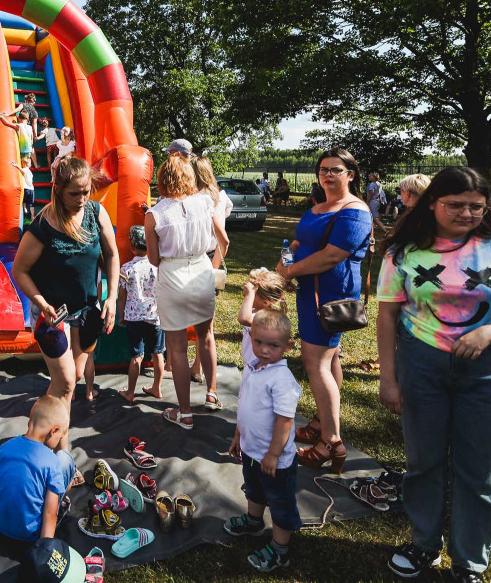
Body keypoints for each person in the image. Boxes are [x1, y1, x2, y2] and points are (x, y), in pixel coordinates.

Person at [376, 166, 491, 580]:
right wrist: (388, 377)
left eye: (476, 206)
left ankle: (469, 561)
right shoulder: (404, 252)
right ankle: (424, 545)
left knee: (478, 473)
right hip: (421, 366)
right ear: (433, 203)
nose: (466, 213)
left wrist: (490, 331)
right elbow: (386, 314)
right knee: (424, 464)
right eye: (455, 204)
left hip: (488, 374)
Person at [12, 157, 119, 454]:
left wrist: (111, 297)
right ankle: (47, 450)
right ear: (58, 189)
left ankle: (56, 450)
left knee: (67, 389)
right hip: (52, 315)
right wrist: (41, 302)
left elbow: (111, 254)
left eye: (86, 191)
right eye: (75, 193)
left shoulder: (96, 213)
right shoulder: (43, 225)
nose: (82, 199)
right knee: (67, 382)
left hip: (86, 310)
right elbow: (19, 270)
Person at [276, 148, 372, 473]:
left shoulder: (355, 211)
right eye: (323, 170)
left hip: (329, 296)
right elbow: (299, 244)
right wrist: (286, 264)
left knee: (316, 361)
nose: (328, 175)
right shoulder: (318, 206)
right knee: (329, 358)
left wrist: (289, 273)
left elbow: (332, 256)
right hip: (310, 291)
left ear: (351, 174)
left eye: (335, 169)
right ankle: (321, 422)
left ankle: (331, 441)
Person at [146, 155, 228, 429]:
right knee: (206, 336)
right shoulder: (205, 202)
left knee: (177, 348)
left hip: (173, 276)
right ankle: (212, 394)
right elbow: (222, 239)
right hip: (202, 271)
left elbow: (154, 259)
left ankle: (184, 412)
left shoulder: (154, 214)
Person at [223, 310, 302, 573]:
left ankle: (280, 550)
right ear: (251, 338)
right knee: (254, 489)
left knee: (280, 502)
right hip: (252, 451)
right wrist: (238, 435)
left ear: (288, 346)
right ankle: (254, 521)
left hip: (274, 461)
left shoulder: (282, 380)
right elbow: (245, 406)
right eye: (258, 342)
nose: (264, 350)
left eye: (273, 345)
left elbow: (285, 421)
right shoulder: (253, 368)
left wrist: (273, 454)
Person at [0, 395, 76, 552]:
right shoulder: (52, 462)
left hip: (0, 525)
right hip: (31, 533)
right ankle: (63, 498)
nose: (59, 439)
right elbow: (50, 513)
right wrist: (43, 552)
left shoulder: (3, 449)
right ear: (54, 431)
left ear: (29, 421)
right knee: (65, 459)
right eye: (61, 436)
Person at [189, 155, 230, 383]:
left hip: (201, 259)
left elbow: (223, 239)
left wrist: (210, 269)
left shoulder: (201, 198)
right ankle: (197, 367)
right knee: (206, 323)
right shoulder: (220, 196)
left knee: (201, 326)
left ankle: (196, 368)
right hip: (210, 257)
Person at [117, 226, 165, 402]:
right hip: (155, 316)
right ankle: (157, 389)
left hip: (134, 318)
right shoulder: (158, 266)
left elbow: (122, 297)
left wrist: (121, 316)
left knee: (137, 356)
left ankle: (130, 393)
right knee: (157, 353)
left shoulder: (126, 268)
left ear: (132, 247)